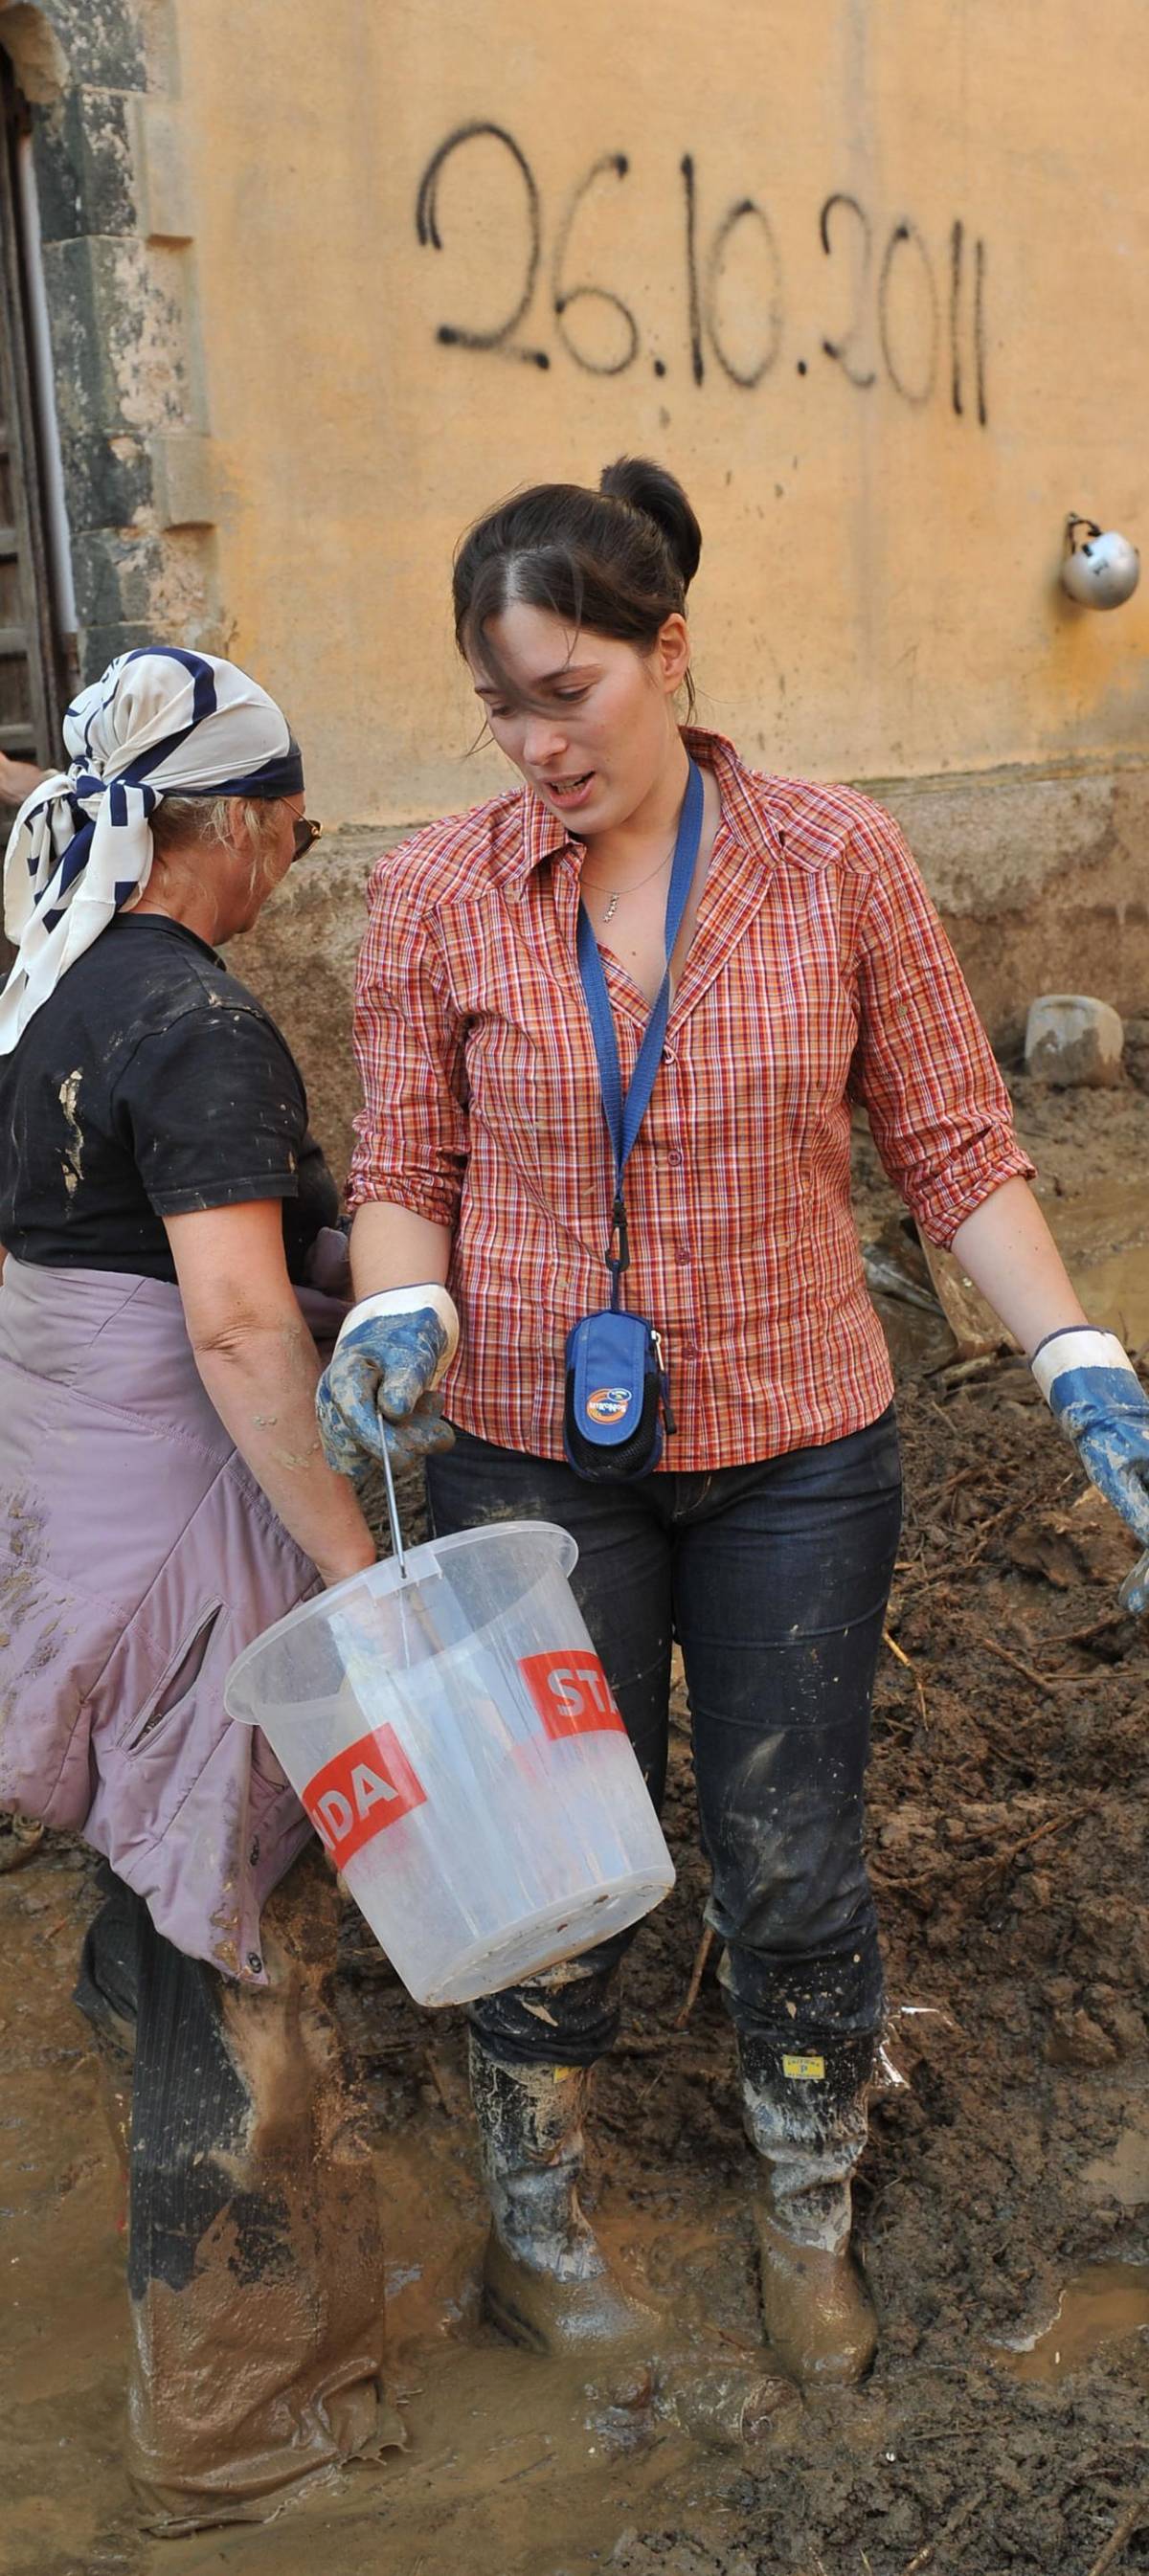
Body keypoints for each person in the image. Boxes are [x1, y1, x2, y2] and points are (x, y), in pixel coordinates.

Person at [317, 459, 1149, 2392]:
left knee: (789, 1854)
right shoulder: (437, 891)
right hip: (527, 1451)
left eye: (568, 691)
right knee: (549, 1863)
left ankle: (805, 2205)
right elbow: (400, 1159)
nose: (534, 742)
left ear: (666, 653)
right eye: (498, 704)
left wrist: (1081, 1354)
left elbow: (953, 1144)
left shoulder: (836, 861)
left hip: (797, 1450)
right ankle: (540, 2226)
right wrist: (395, 1294)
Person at [0, 648, 409, 2530]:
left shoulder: (54, 998)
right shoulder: (203, 1025)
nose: (300, 859)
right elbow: (241, 1324)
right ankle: (225, 2447)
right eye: (294, 823)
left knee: (165, 1946)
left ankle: (295, 2352)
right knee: (236, 1976)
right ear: (226, 817)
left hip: (80, 1554)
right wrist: (357, 1571)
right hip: (196, 1568)